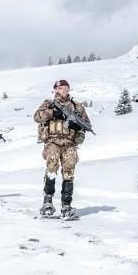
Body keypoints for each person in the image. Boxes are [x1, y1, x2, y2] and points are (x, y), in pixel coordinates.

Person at [33, 80, 92, 219]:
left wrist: (77, 126)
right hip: (52, 142)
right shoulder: (48, 104)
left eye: (62, 88)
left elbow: (87, 124)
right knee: (52, 168)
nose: (59, 90)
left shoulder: (77, 107)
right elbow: (37, 117)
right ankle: (47, 202)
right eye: (57, 88)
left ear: (68, 89)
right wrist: (53, 113)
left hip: (69, 144)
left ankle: (66, 205)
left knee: (69, 173)